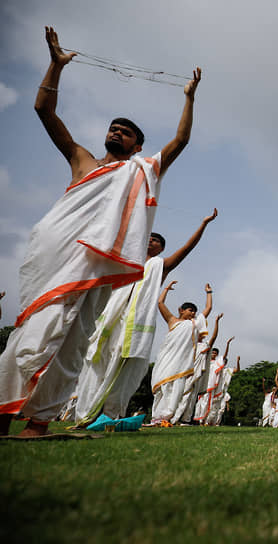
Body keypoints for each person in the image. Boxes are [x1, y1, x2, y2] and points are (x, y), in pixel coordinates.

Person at [0, 27, 202, 437]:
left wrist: (188, 98)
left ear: (138, 146)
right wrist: (55, 67)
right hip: (60, 261)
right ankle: (3, 415)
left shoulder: (141, 170)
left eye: (126, 132)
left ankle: (38, 424)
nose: (116, 132)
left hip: (99, 271)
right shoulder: (82, 161)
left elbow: (180, 140)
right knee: (33, 336)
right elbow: (44, 111)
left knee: (74, 344)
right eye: (114, 127)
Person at [73, 212, 218, 427]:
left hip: (136, 326)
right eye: (148, 238)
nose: (151, 241)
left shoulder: (160, 266)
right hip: (112, 319)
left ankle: (112, 414)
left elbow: (187, 249)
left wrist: (203, 224)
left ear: (161, 249)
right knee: (98, 361)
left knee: (123, 368)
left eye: (156, 240)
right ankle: (86, 413)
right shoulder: (126, 262)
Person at [151, 281, 220, 424]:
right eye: (190, 310)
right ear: (181, 310)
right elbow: (160, 303)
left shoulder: (195, 323)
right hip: (166, 358)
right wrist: (166, 289)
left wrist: (209, 293)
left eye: (194, 311)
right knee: (163, 387)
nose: (193, 313)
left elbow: (209, 307)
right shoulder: (172, 320)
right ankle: (156, 417)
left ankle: (166, 416)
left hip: (182, 362)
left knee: (177, 389)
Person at [209, 355, 239, 426]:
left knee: (220, 408)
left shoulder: (227, 370)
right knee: (211, 406)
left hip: (223, 392)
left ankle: (215, 422)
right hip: (214, 389)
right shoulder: (215, 368)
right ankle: (207, 421)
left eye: (225, 362)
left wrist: (238, 361)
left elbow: (237, 370)